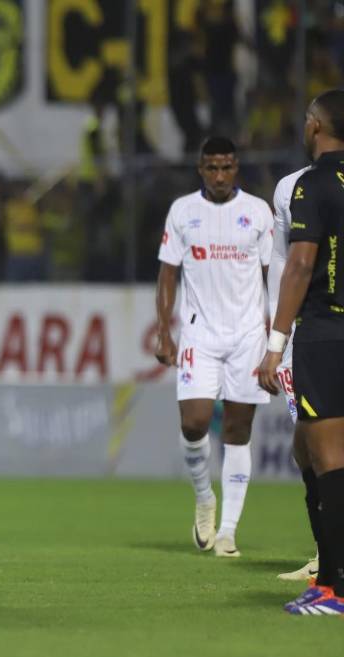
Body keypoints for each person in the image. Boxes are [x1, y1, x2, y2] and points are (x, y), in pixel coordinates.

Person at [155, 136, 273, 558]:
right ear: (200, 170)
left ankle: (227, 533)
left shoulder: (258, 212)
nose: (220, 175)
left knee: (238, 433)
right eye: (212, 168)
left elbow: (271, 274)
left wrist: (276, 338)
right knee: (194, 423)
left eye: (227, 167)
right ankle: (204, 497)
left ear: (236, 167)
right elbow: (168, 274)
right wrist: (164, 331)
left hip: (247, 335)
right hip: (199, 332)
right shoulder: (184, 212)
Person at [259, 90, 344, 615]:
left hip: (325, 333)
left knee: (326, 457)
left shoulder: (309, 186)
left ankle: (333, 587)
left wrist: (275, 344)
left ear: (315, 125)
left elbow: (299, 266)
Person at [267, 165, 320, 583]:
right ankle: (327, 551)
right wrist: (275, 334)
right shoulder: (292, 187)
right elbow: (283, 261)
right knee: (309, 444)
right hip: (303, 334)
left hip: (322, 333)